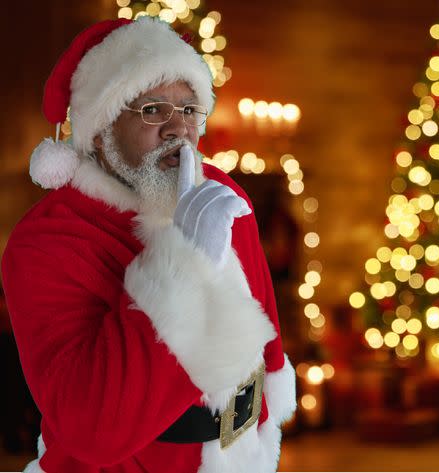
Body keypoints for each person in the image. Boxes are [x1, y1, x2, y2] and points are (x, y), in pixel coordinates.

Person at [1, 16, 295, 473]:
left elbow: (265, 334)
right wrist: (184, 261)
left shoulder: (220, 193)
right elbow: (93, 428)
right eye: (153, 109)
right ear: (99, 131)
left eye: (189, 109)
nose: (179, 128)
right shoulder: (45, 241)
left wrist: (260, 433)